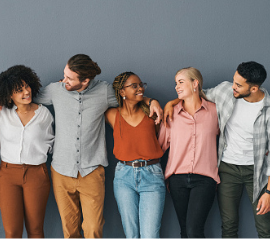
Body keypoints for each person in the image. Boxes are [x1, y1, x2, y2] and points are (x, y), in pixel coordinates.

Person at [34, 54, 163, 239]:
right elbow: (27, 97)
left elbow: (130, 96)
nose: (64, 80)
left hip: (92, 171)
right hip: (61, 171)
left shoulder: (104, 91)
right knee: (69, 231)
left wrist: (151, 101)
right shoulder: (56, 90)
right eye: (65, 74)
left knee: (93, 229)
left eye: (69, 78)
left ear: (85, 80)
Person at [164, 62, 270, 239]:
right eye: (233, 81)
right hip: (227, 168)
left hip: (256, 171)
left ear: (253, 88)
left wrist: (268, 192)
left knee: (264, 226)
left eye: (238, 85)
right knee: (229, 225)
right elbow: (195, 94)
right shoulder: (225, 91)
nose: (233, 87)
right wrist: (171, 103)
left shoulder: (268, 110)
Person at [158, 67, 219, 239]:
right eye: (175, 83)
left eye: (181, 82)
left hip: (205, 179)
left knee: (194, 231)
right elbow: (159, 147)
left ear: (195, 83)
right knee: (185, 231)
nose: (176, 86)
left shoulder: (215, 111)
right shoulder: (171, 114)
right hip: (177, 179)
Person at [105, 71, 166, 239]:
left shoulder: (152, 113)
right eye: (134, 86)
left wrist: (152, 101)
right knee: (131, 235)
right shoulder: (111, 114)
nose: (140, 88)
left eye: (141, 85)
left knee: (150, 236)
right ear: (122, 92)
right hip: (124, 176)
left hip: (152, 175)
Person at [0, 65, 54, 239]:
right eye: (19, 90)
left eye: (26, 86)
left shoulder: (44, 114)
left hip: (36, 173)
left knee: (36, 230)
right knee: (12, 232)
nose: (26, 92)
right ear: (9, 95)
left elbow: (51, 142)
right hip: (7, 174)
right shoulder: (3, 114)